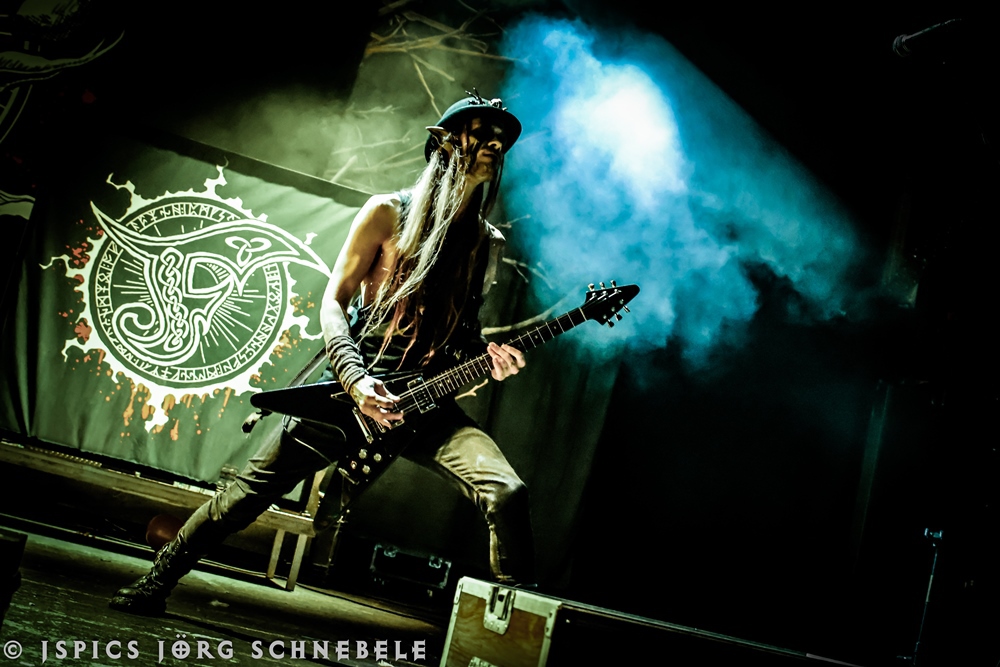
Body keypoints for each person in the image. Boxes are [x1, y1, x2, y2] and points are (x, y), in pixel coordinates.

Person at [109, 92, 536, 616]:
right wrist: (355, 379)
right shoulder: (388, 212)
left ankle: (514, 624)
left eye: (501, 138)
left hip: (424, 403)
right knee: (244, 498)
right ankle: (156, 581)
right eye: (480, 131)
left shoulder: (486, 242)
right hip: (354, 392)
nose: (494, 143)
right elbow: (334, 301)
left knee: (507, 491)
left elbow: (464, 332)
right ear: (445, 142)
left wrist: (490, 358)